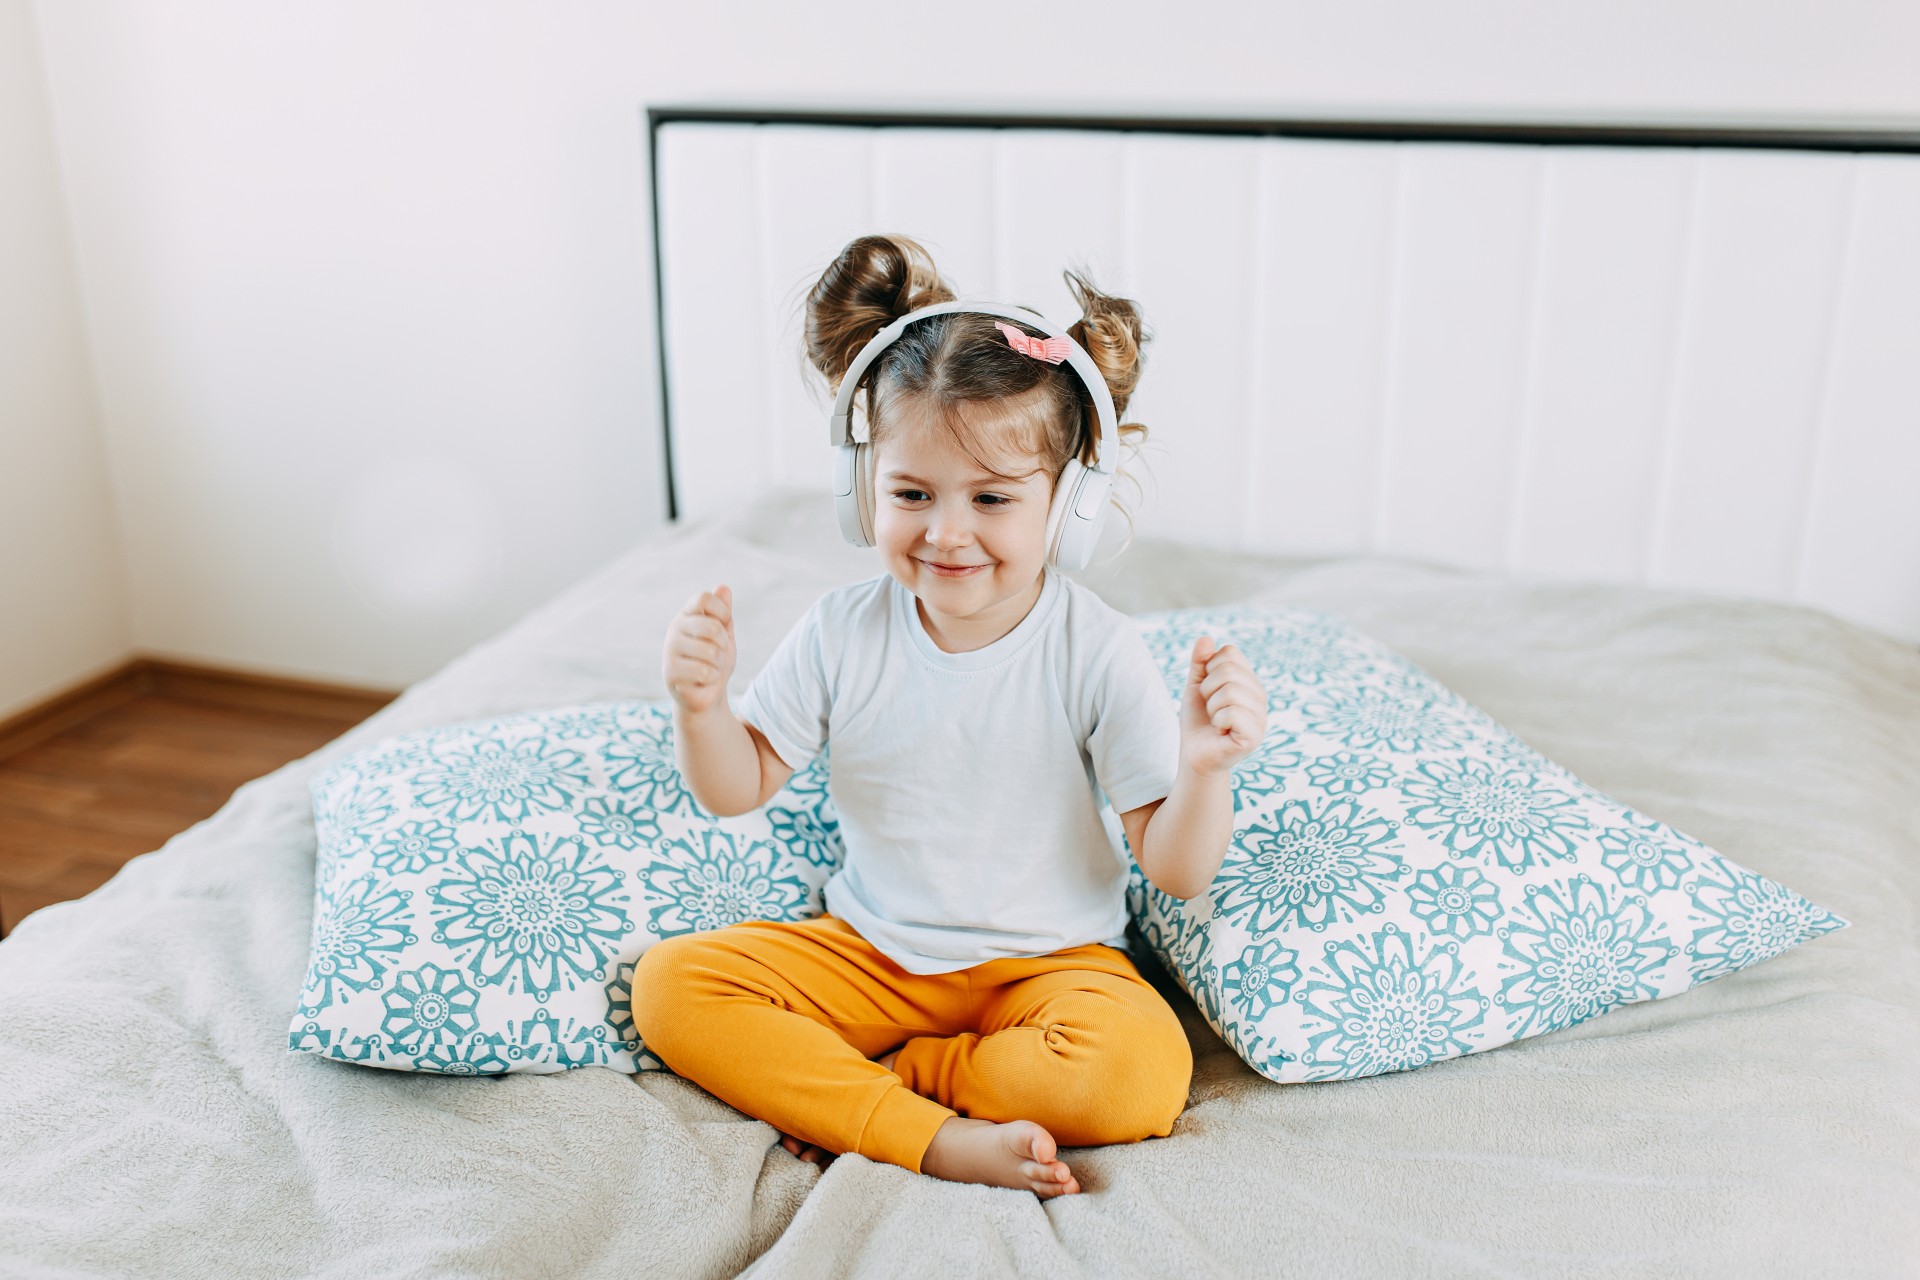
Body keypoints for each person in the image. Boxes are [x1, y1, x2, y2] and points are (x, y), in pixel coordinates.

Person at [633, 234, 1268, 1199]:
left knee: (1137, 1073)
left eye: (993, 499)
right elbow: (736, 787)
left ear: (1069, 506)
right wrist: (700, 707)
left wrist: (1207, 767)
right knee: (672, 989)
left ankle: (888, 1088)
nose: (947, 532)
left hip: (1051, 968)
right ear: (863, 493)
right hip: (872, 954)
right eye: (912, 493)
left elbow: (1175, 870)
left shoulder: (1093, 647)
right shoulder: (842, 629)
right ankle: (930, 1137)